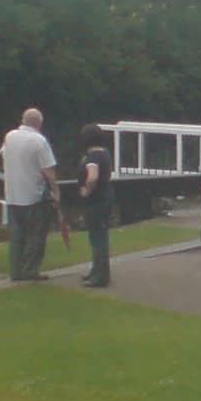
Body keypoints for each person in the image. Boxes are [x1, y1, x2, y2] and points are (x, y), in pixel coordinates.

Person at [0, 108, 58, 281]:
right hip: (33, 195)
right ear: (39, 123)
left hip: (12, 194)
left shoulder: (9, 136)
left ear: (23, 120)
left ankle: (15, 272)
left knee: (16, 236)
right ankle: (30, 270)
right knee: (36, 235)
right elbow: (48, 170)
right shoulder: (39, 140)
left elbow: (2, 153)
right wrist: (56, 191)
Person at [76, 123, 114, 287]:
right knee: (101, 236)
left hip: (95, 201)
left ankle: (100, 276)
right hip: (105, 197)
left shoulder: (92, 158)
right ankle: (98, 271)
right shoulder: (105, 154)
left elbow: (92, 177)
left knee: (97, 238)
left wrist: (86, 190)